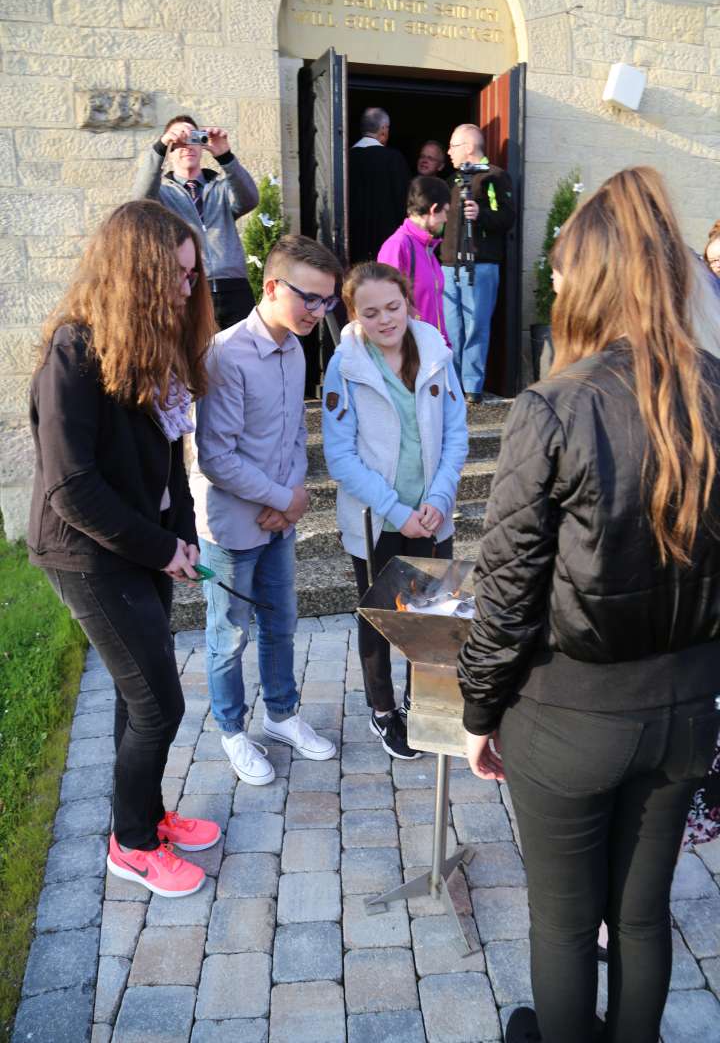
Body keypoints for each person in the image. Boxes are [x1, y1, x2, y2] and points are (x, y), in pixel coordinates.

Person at [457, 167, 720, 1043]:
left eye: (566, 268)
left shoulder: (555, 406)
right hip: (684, 713)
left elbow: (505, 588)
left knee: (568, 924)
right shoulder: (715, 388)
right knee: (640, 918)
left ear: (600, 275)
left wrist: (478, 713)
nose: (557, 282)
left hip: (572, 718)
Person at [27, 200, 220, 898]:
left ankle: (145, 815)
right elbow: (70, 489)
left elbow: (171, 458)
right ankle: (131, 845)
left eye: (193, 276)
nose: (186, 289)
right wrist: (161, 549)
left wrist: (185, 540)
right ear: (130, 271)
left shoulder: (150, 343)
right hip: (89, 555)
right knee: (159, 705)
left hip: (146, 546)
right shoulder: (73, 353)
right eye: (174, 275)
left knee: (137, 693)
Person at [191, 235, 342, 785]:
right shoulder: (225, 355)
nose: (319, 311)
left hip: (280, 519)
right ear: (273, 287)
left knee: (281, 624)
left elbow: (292, 438)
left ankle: (282, 715)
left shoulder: (297, 349)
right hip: (233, 526)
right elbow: (215, 457)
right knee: (228, 635)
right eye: (311, 298)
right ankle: (233, 730)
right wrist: (285, 499)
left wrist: (292, 500)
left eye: (328, 301)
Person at [322, 262, 468, 759]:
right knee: (380, 619)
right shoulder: (345, 365)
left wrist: (437, 499)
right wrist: (396, 509)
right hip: (378, 521)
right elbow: (340, 457)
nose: (385, 320)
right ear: (354, 315)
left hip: (431, 516)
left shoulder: (435, 352)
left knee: (430, 617)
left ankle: (420, 703)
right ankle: (384, 711)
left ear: (408, 301)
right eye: (371, 312)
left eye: (393, 307)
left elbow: (456, 434)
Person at [132, 114, 259, 330]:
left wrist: (225, 156)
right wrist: (160, 148)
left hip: (234, 287)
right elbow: (140, 202)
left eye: (193, 139)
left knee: (241, 354)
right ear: (169, 153)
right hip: (188, 287)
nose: (187, 147)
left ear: (202, 146)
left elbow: (249, 199)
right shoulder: (161, 195)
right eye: (179, 142)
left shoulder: (221, 188)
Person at [440, 123, 515, 402]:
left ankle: (471, 386)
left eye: (453, 146)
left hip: (480, 265)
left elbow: (507, 217)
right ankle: (454, 382)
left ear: (469, 147)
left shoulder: (494, 177)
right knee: (452, 328)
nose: (449, 152)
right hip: (449, 265)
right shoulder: (452, 181)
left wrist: (480, 214)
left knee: (475, 325)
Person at [378, 176, 451, 347]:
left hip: (431, 350)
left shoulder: (427, 248)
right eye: (445, 211)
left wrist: (444, 344)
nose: (446, 219)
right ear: (433, 209)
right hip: (412, 351)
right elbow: (385, 303)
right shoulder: (397, 245)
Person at [348, 107, 411, 264]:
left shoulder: (345, 159)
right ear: (383, 130)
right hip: (387, 248)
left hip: (351, 245)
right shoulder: (394, 159)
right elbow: (405, 204)